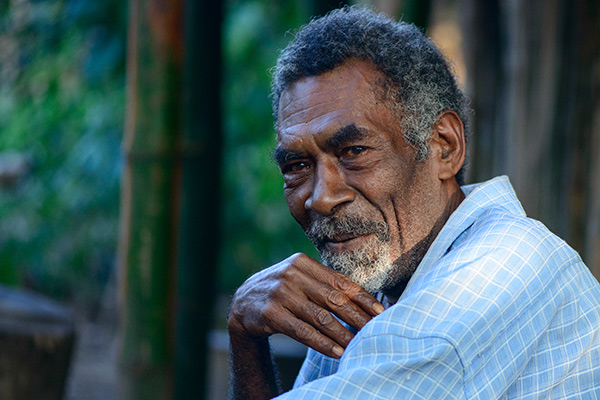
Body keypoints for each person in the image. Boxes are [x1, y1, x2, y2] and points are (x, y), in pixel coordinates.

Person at [228, 6, 600, 399]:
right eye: (298, 166)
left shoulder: (500, 270)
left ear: (444, 146)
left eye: (354, 151)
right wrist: (245, 335)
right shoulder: (369, 289)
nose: (321, 197)